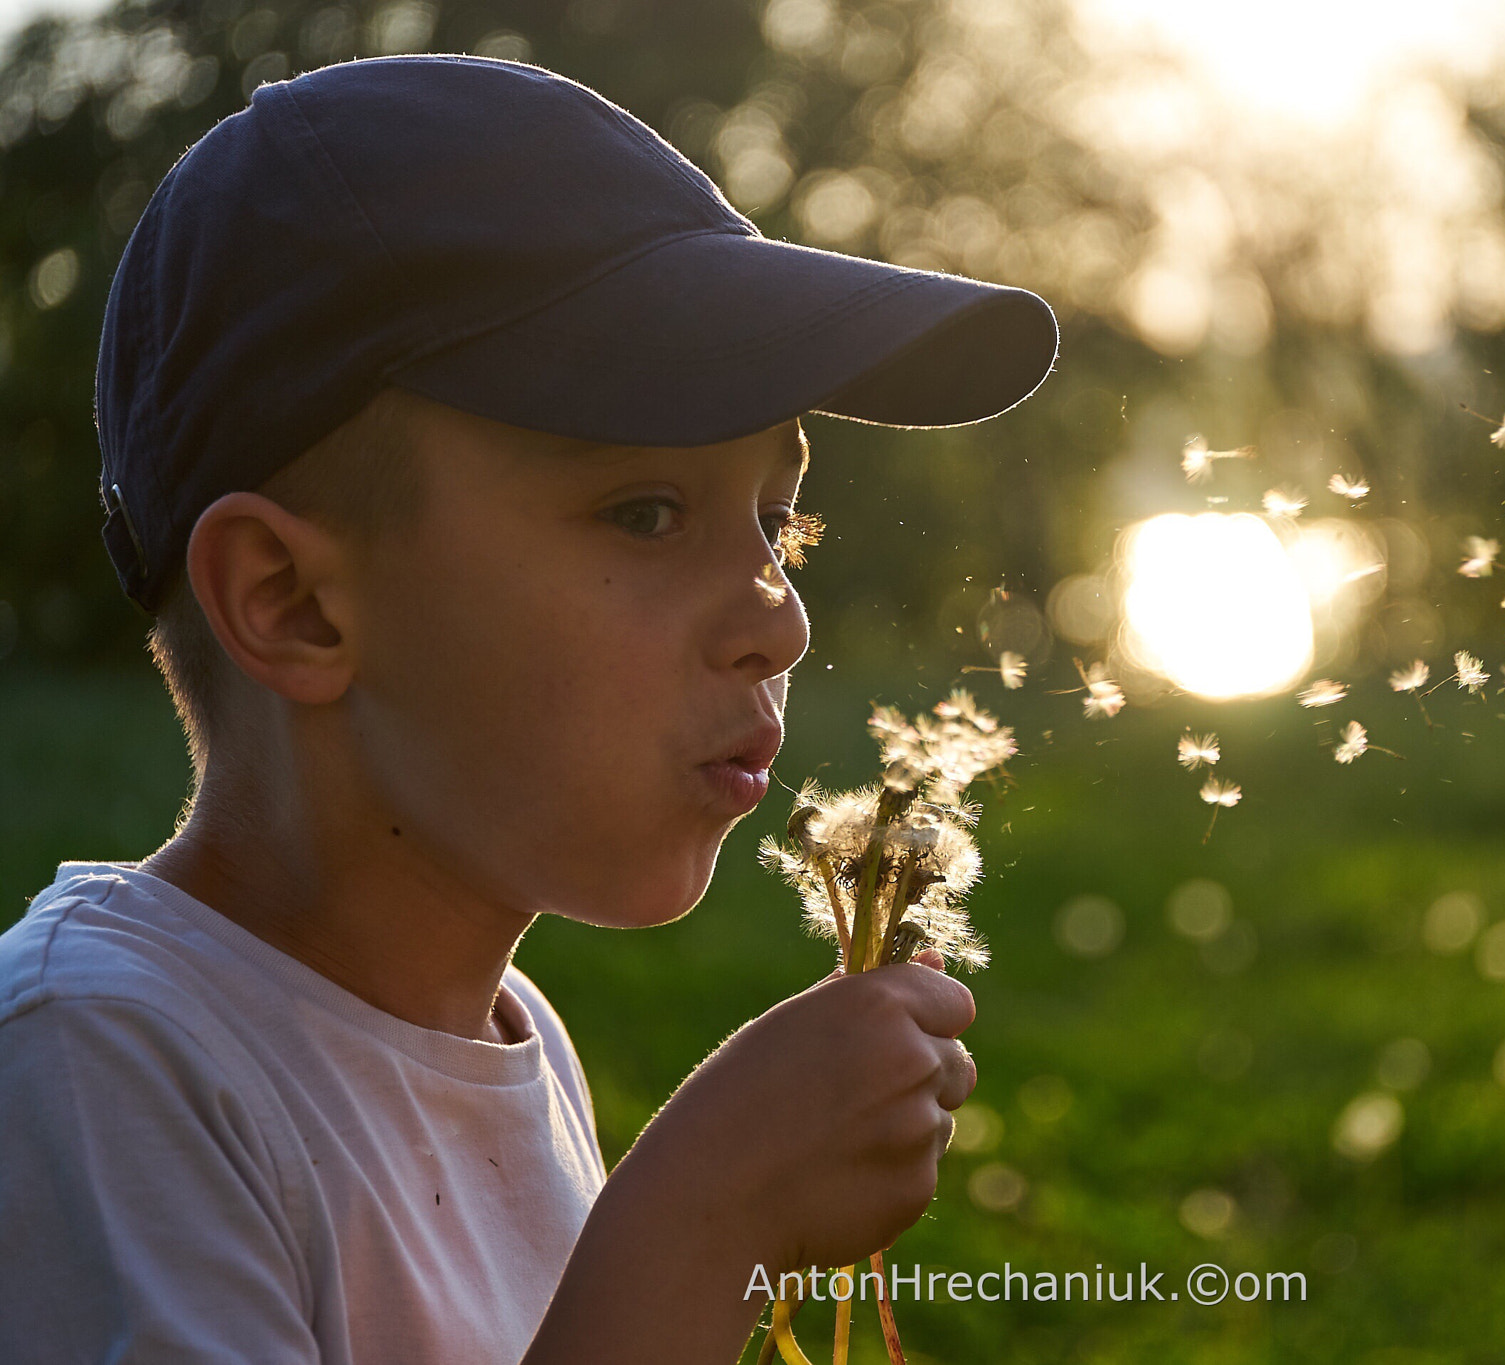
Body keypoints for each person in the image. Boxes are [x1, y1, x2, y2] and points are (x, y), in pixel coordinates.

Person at [0, 54, 1057, 1364]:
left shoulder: (515, 1033)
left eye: (776, 523)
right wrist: (701, 1217)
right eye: (646, 511)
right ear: (292, 602)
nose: (780, 616)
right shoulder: (96, 1065)